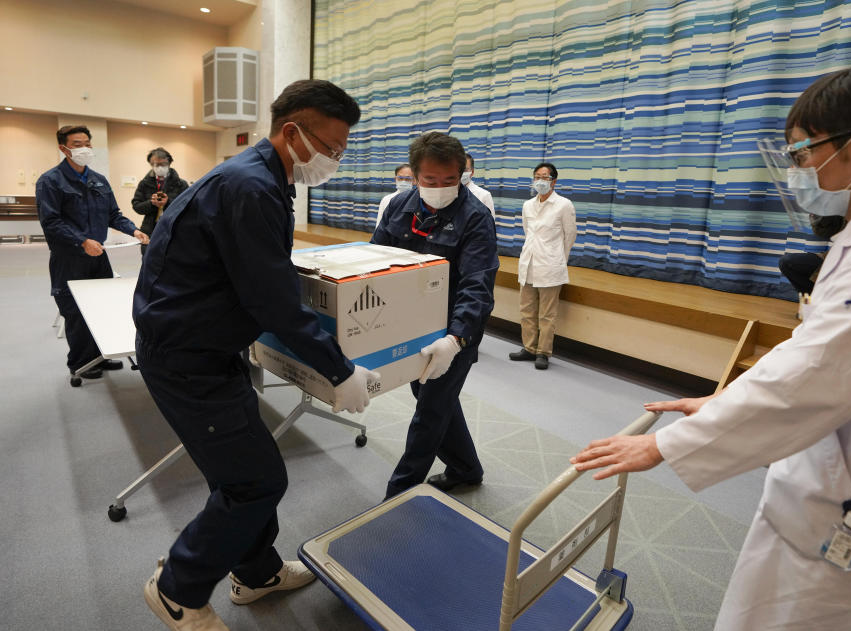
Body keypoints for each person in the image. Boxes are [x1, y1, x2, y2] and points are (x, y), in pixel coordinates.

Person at [571, 62, 851, 630]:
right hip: (833, 486)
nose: (799, 172)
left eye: (805, 154)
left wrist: (668, 446)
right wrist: (722, 403)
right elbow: (813, 347)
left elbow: (815, 377)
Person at [134, 79, 379, 631]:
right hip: (185, 355)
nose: (334, 160)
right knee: (256, 482)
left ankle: (258, 572)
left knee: (245, 467)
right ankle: (177, 588)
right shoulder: (250, 187)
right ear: (292, 131)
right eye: (331, 148)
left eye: (342, 151)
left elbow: (257, 277)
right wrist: (340, 371)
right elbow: (274, 301)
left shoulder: (260, 175)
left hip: (205, 342)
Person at [373, 131, 499, 499]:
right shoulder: (399, 207)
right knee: (430, 395)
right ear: (414, 175)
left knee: (430, 410)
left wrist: (455, 339)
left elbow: (477, 286)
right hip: (410, 323)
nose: (441, 187)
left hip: (453, 331)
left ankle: (397, 498)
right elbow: (375, 261)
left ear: (462, 174)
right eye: (430, 180)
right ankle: (466, 468)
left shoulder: (475, 217)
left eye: (450, 180)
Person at [36, 125, 150, 379]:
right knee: (75, 311)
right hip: (70, 259)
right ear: (63, 148)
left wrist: (134, 231)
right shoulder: (51, 181)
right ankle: (80, 362)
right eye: (77, 144)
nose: (84, 148)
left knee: (102, 308)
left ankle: (98, 356)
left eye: (87, 143)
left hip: (99, 257)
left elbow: (114, 215)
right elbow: (51, 222)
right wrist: (81, 241)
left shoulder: (99, 179)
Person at [508, 162, 576, 370]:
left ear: (554, 181)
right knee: (526, 310)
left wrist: (558, 260)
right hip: (528, 263)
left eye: (545, 178)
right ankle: (529, 348)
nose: (540, 181)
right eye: (537, 177)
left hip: (550, 267)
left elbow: (570, 236)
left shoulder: (564, 205)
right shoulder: (528, 205)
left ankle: (543, 352)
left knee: (547, 314)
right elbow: (528, 232)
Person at [132, 147, 189, 255]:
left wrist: (167, 203)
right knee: (149, 260)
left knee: (173, 262)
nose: (160, 167)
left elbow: (187, 207)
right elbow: (136, 206)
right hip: (150, 230)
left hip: (174, 230)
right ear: (151, 164)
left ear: (169, 163)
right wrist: (151, 203)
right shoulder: (144, 183)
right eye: (156, 164)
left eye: (163, 164)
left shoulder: (181, 184)